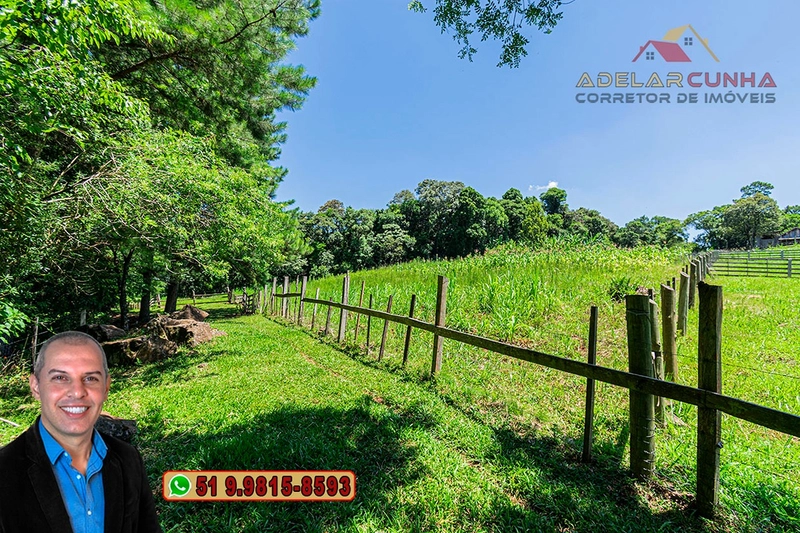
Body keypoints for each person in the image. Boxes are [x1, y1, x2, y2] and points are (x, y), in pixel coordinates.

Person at [0, 331, 162, 533]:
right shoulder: (4, 471)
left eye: (91, 378)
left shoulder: (128, 459)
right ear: (36, 386)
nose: (77, 392)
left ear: (106, 387)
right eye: (60, 377)